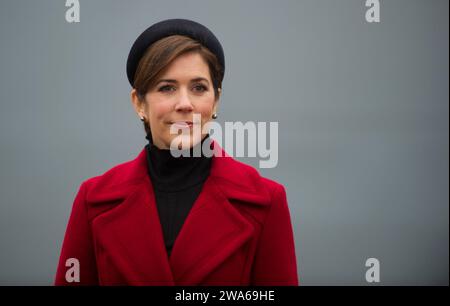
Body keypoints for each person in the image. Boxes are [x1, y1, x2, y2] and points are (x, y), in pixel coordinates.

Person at [55, 18, 298, 286]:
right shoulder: (93, 201)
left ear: (215, 100)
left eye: (198, 88)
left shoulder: (267, 201)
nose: (185, 104)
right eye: (167, 88)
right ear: (139, 103)